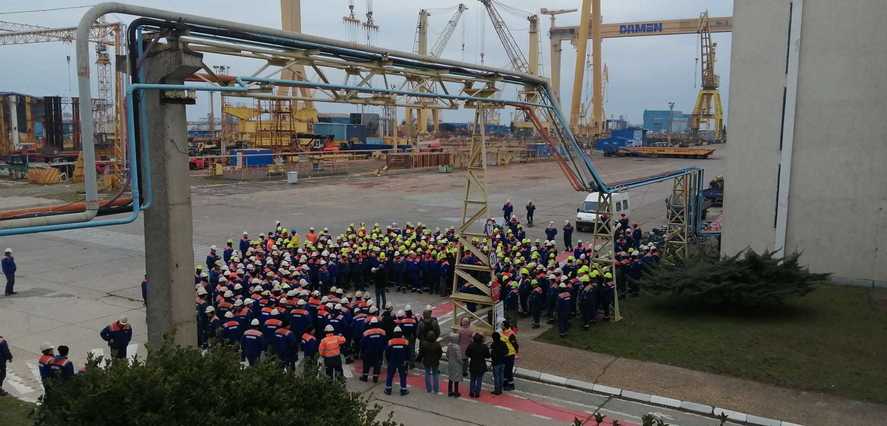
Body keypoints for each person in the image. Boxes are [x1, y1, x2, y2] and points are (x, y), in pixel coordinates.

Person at [384, 326, 410, 396]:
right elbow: (408, 352)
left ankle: (388, 389)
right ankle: (403, 390)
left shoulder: (390, 342)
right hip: (402, 362)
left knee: (390, 375)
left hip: (392, 361)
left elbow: (387, 352)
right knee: (403, 376)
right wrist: (407, 360)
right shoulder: (405, 342)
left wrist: (388, 360)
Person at [359, 318, 386, 383]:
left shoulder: (366, 332)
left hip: (368, 351)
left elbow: (362, 343)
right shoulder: (382, 332)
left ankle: (365, 377)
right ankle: (375, 378)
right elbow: (384, 341)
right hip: (378, 351)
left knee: (366, 364)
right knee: (377, 364)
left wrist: (362, 352)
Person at [465, 333, 489, 398]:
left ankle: (471, 392)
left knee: (472, 379)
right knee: (479, 379)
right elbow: (488, 356)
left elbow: (467, 353)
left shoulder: (471, 345)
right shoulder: (484, 346)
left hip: (473, 364)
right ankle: (477, 393)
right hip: (481, 364)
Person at [500, 321, 518, 391]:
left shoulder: (511, 334)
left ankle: (511, 385)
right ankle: (505, 383)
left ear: (505, 326)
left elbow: (515, 345)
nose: (501, 326)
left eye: (502, 325)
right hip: (504, 354)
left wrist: (516, 353)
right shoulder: (503, 332)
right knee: (505, 369)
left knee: (509, 370)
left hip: (510, 354)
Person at [445, 333, 463, 398]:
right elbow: (459, 357)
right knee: (456, 378)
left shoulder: (449, 345)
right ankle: (456, 392)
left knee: (450, 377)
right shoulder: (457, 347)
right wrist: (462, 363)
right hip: (456, 364)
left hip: (450, 363)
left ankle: (449, 391)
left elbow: (447, 355)